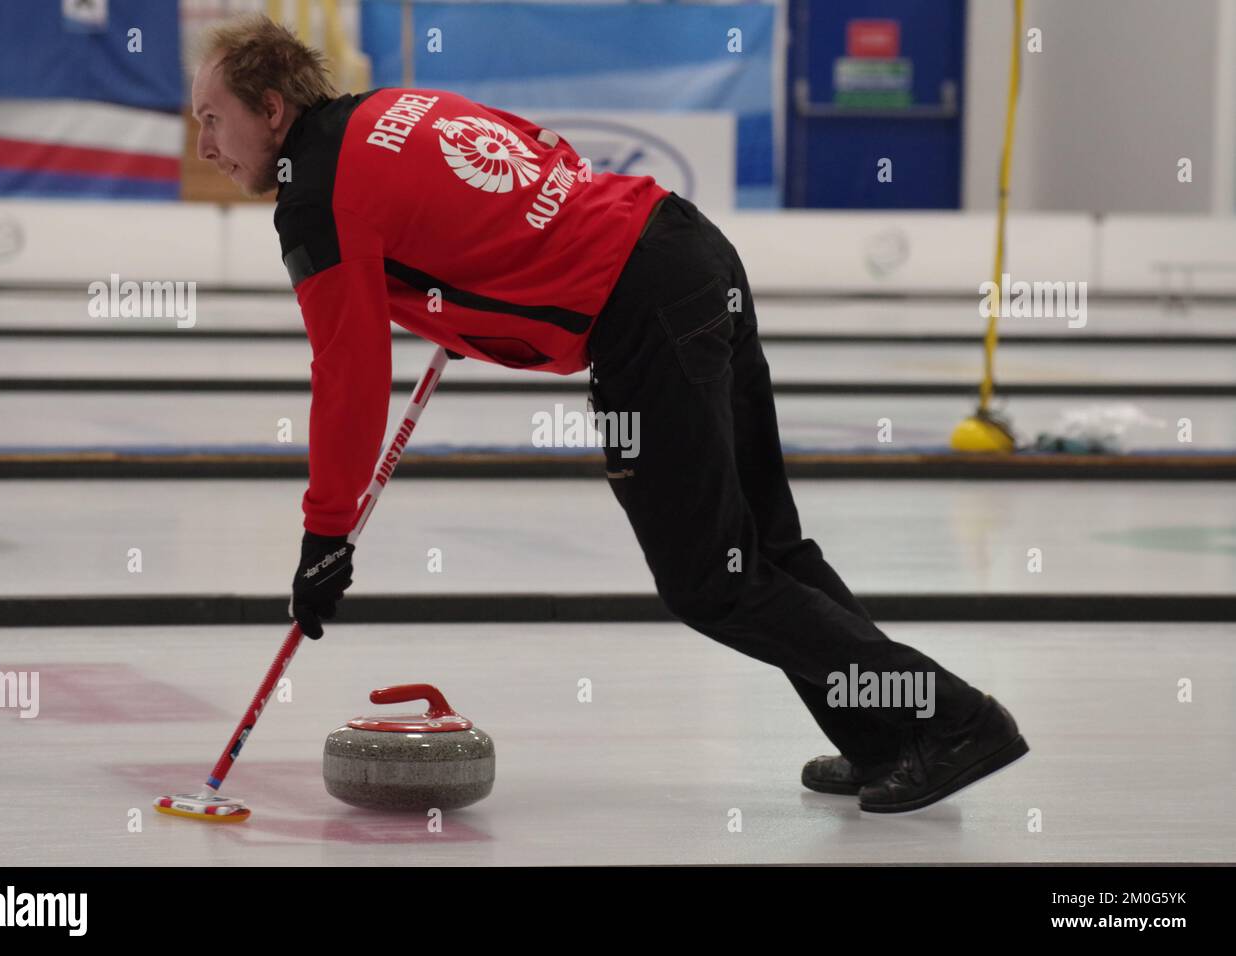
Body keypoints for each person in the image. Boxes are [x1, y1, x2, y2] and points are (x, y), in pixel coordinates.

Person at [190, 14, 1028, 814]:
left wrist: (326, 533)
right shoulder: (394, 107)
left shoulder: (311, 194)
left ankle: (954, 720)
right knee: (769, 548)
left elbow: (348, 369)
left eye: (213, 121)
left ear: (271, 110)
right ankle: (888, 737)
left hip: (641, 314)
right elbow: (537, 156)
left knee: (714, 581)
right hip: (684, 247)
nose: (205, 147)